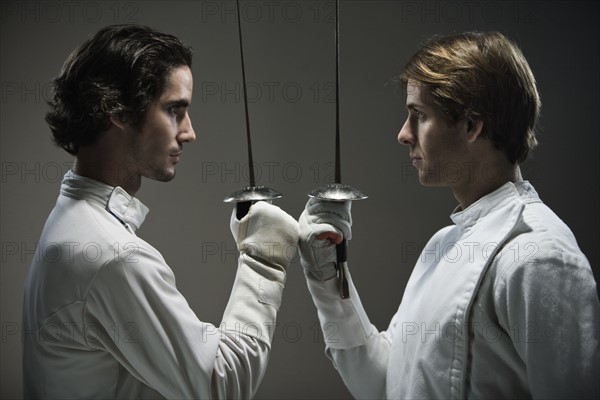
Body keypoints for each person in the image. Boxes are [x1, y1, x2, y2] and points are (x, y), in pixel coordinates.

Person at [299, 31, 599, 398]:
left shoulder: (538, 255)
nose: (403, 135)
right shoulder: (443, 246)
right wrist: (328, 275)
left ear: (472, 126)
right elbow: (385, 386)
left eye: (419, 116)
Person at [22, 24, 299, 399]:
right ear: (117, 109)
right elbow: (222, 384)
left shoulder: (72, 220)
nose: (189, 132)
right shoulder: (112, 257)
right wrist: (265, 258)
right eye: (174, 110)